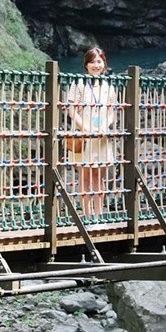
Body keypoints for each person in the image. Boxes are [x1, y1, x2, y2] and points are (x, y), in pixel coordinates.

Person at [65, 46, 117, 221]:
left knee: (99, 178)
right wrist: (86, 128)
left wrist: (103, 127)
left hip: (101, 137)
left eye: (99, 61)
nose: (96, 65)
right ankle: (87, 216)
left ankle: (98, 216)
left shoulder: (108, 86)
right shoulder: (78, 83)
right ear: (86, 65)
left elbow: (111, 113)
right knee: (84, 177)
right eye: (92, 62)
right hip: (84, 137)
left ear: (104, 64)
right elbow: (72, 111)